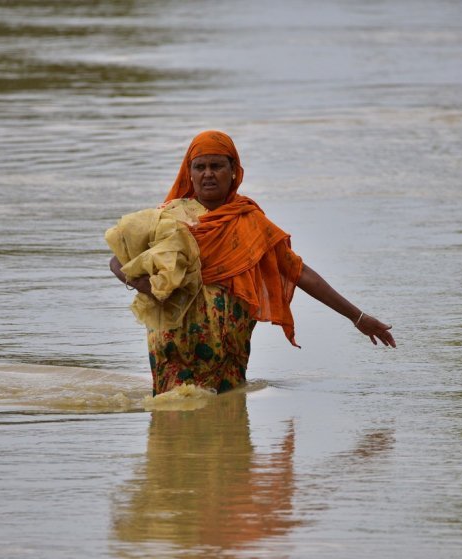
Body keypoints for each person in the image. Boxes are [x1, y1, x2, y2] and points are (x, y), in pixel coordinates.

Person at [108, 130, 395, 396]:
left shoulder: (250, 221)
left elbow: (299, 272)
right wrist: (144, 284)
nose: (208, 174)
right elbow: (117, 261)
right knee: (169, 426)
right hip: (171, 342)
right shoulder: (167, 219)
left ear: (234, 172)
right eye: (200, 167)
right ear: (189, 173)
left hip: (227, 348)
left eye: (217, 166)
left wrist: (357, 317)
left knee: (227, 422)